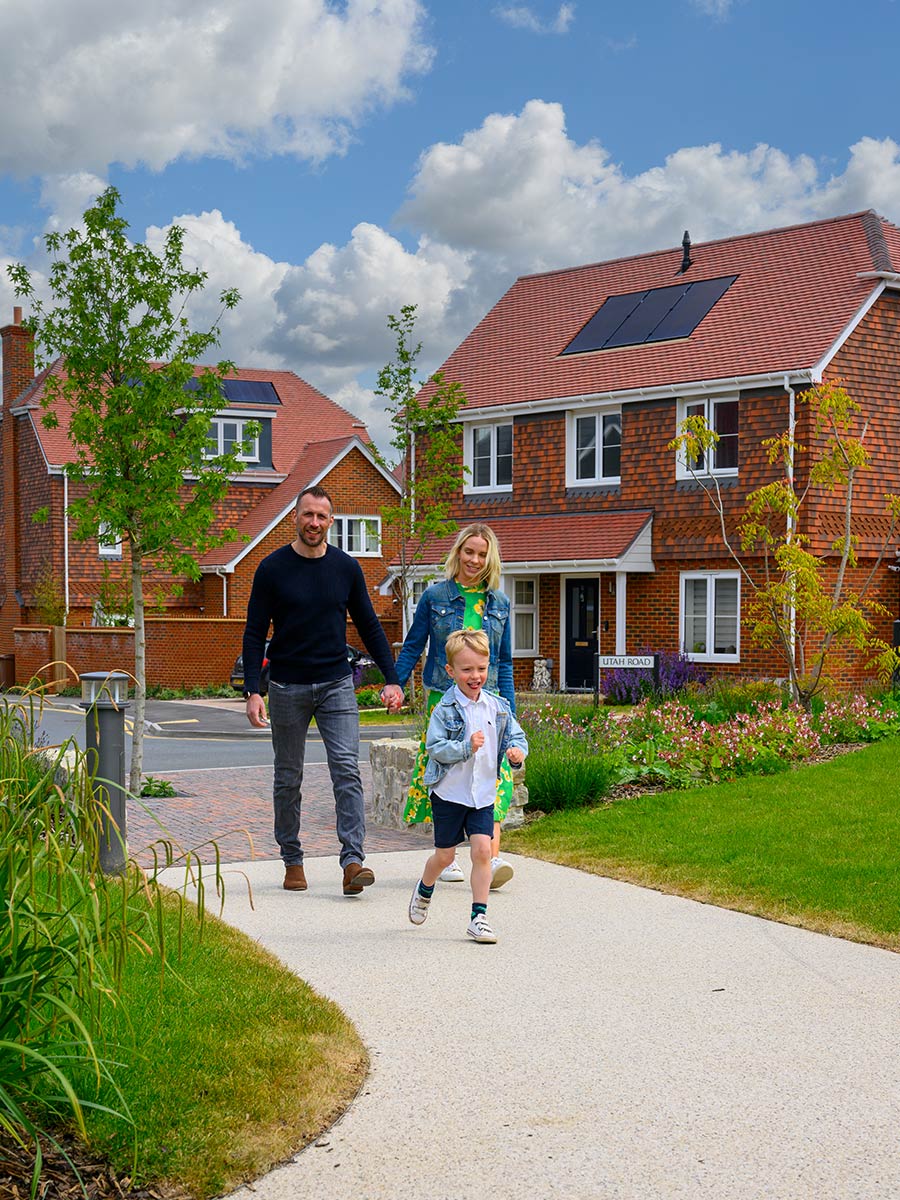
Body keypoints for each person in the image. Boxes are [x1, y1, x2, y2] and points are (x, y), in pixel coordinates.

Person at [242, 486, 404, 895]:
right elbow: (254, 631)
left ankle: (353, 862)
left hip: (336, 684)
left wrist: (392, 677)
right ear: (295, 517)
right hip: (286, 686)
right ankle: (292, 859)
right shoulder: (271, 568)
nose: (314, 522)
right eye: (307, 514)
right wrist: (253, 690)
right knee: (288, 776)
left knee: (346, 769)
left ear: (331, 521)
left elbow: (369, 625)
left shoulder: (346, 568)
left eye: (321, 516)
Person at [395, 522, 517, 887]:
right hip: (444, 700)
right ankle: (447, 855)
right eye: (469, 552)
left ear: (490, 559)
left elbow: (504, 663)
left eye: (482, 554)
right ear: (458, 553)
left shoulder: (499, 603)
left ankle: (490, 857)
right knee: (448, 772)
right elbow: (413, 644)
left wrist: (510, 712)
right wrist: (394, 683)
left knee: (494, 774)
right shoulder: (435, 596)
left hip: (488, 699)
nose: (474, 560)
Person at [407, 629, 528, 943]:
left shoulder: (498, 707)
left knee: (483, 851)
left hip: (482, 795)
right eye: (467, 669)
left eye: (481, 668)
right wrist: (465, 747)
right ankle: (425, 888)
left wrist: (517, 753)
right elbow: (435, 747)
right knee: (445, 857)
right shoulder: (445, 709)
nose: (475, 676)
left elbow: (517, 736)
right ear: (451, 671)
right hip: (450, 794)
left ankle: (479, 918)